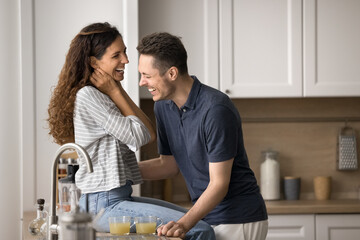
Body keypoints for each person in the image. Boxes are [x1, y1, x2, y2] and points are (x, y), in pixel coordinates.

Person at [47, 22, 215, 240]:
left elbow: (148, 132)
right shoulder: (89, 96)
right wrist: (116, 91)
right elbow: (141, 136)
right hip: (104, 204)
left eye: (124, 52)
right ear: (93, 62)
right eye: (116, 55)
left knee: (198, 222)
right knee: (201, 230)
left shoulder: (104, 94)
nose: (125, 60)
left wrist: (115, 91)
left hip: (115, 198)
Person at [136, 32, 269, 240]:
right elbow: (169, 165)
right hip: (207, 218)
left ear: (172, 73)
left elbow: (219, 184)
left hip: (238, 218)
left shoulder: (215, 109)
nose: (142, 82)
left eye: (147, 75)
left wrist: (183, 224)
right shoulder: (163, 107)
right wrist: (122, 170)